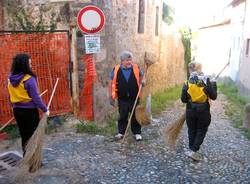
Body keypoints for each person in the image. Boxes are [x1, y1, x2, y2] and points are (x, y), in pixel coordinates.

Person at [7, 53, 49, 156]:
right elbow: (36, 99)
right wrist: (45, 109)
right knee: (33, 135)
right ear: (24, 65)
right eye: (29, 64)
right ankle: (33, 160)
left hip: (18, 111)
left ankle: (26, 155)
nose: (31, 66)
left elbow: (11, 96)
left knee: (24, 134)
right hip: (30, 112)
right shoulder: (29, 79)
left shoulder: (10, 78)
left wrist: (14, 107)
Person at [181, 62, 217, 161]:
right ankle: (193, 150)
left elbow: (183, 99)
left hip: (190, 110)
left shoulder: (188, 82)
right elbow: (214, 97)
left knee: (191, 130)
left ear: (191, 70)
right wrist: (213, 84)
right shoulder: (207, 80)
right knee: (201, 130)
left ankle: (192, 149)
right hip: (203, 111)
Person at [109, 51, 144, 141]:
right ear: (122, 61)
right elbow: (111, 82)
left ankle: (137, 133)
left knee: (135, 116)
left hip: (134, 97)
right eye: (127, 60)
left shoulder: (136, 68)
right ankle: (121, 132)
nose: (129, 62)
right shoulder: (116, 69)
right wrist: (110, 96)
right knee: (122, 115)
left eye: (130, 60)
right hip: (122, 98)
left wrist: (143, 81)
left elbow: (142, 77)